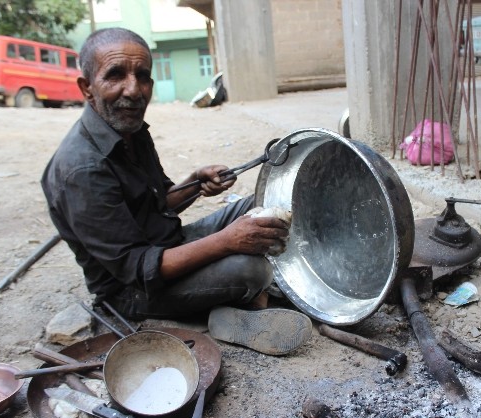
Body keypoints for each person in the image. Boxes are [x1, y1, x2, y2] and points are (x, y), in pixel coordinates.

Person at [41, 27, 311, 355]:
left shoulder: (130, 129)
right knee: (250, 269)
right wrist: (229, 241)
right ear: (87, 87)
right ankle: (238, 307)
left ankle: (247, 301)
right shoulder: (81, 170)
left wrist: (195, 184)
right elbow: (139, 268)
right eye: (115, 75)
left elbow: (156, 204)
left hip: (169, 245)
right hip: (131, 290)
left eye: (143, 76)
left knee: (262, 203)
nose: (133, 90)